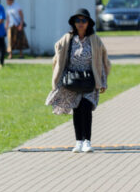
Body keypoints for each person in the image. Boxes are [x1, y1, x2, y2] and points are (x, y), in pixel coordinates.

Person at [47, 8, 111, 153]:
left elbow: (101, 61)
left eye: (84, 20)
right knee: (77, 109)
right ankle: (78, 142)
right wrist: (57, 79)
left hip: (89, 80)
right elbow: (59, 56)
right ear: (74, 23)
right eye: (78, 20)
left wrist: (102, 82)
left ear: (89, 23)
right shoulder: (68, 38)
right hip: (73, 81)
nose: (80, 23)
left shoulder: (95, 40)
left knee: (86, 109)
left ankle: (87, 141)